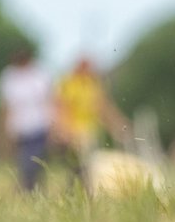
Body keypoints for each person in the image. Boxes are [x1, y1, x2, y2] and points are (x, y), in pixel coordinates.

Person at [53, 57, 131, 191]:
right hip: (75, 133)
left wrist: (119, 125)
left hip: (90, 132)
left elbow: (103, 107)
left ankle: (84, 194)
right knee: (79, 168)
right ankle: (78, 193)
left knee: (88, 167)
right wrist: (66, 131)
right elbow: (62, 109)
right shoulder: (69, 84)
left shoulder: (93, 84)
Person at [0, 49, 53, 192]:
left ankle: (31, 190)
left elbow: (49, 101)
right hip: (19, 129)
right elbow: (5, 107)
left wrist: (54, 126)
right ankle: (28, 190)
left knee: (34, 161)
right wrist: (3, 134)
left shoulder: (39, 74)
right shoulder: (9, 77)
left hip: (39, 127)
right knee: (25, 162)